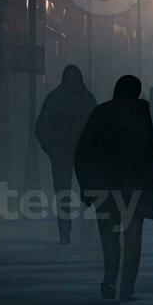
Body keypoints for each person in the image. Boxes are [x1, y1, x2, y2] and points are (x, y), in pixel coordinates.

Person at [74, 75, 153, 302]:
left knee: (109, 236)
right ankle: (127, 287)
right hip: (135, 186)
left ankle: (110, 278)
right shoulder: (142, 115)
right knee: (133, 239)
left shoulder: (102, 112)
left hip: (104, 184)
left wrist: (86, 185)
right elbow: (149, 158)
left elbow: (83, 151)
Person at [35, 66, 96, 246]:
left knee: (63, 195)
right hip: (84, 155)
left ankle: (64, 231)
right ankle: (86, 229)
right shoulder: (86, 98)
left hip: (60, 155)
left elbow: (40, 128)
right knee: (89, 193)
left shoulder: (54, 98)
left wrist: (51, 148)